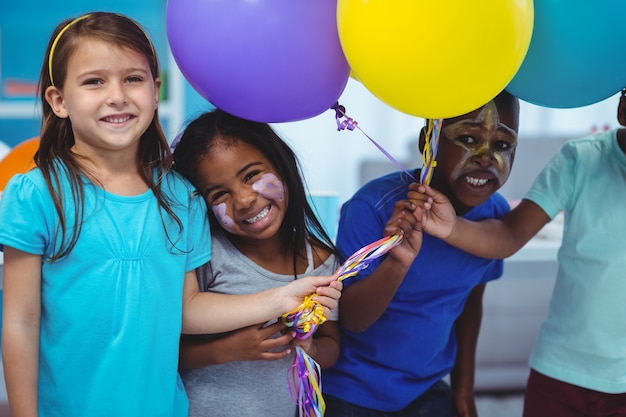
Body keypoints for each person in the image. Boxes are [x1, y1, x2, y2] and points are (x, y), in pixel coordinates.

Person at [0, 13, 340, 417]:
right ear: (58, 101)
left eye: (133, 79)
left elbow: (189, 310)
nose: (117, 96)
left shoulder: (182, 198)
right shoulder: (36, 194)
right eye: (94, 81)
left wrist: (279, 297)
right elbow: (20, 320)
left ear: (155, 89)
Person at [410, 90, 626, 417]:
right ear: (623, 106)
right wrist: (451, 227)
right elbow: (510, 234)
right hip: (559, 373)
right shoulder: (581, 159)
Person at [323, 90, 521, 417]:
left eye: (502, 145)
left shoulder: (493, 217)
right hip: (351, 392)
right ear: (427, 141)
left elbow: (470, 304)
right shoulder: (370, 208)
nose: (486, 158)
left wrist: (463, 392)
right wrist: (398, 260)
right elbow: (353, 321)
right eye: (469, 138)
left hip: (426, 389)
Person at [172, 109, 342, 417]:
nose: (244, 200)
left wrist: (311, 349)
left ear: (281, 163)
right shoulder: (206, 257)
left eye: (251, 176)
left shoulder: (322, 263)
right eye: (219, 194)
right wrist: (227, 350)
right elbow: (162, 352)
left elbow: (331, 345)